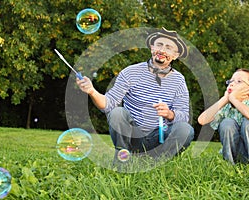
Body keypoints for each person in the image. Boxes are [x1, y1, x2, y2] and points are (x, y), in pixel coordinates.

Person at [76, 27, 194, 163]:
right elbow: (108, 104)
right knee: (117, 113)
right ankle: (123, 161)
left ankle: (158, 163)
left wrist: (169, 114)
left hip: (159, 138)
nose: (162, 50)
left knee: (186, 130)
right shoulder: (130, 72)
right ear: (152, 48)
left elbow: (184, 116)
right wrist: (92, 91)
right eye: (159, 45)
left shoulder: (179, 80)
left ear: (175, 55)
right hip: (133, 136)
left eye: (168, 47)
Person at [198, 68, 249, 169]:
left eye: (239, 81)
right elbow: (202, 120)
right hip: (240, 155)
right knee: (226, 123)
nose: (232, 84)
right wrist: (225, 99)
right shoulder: (227, 108)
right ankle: (230, 164)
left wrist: (233, 98)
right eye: (230, 81)